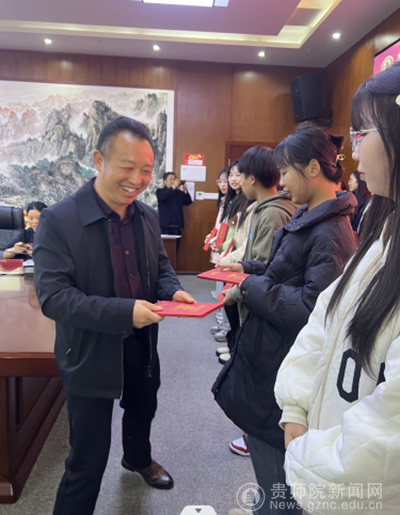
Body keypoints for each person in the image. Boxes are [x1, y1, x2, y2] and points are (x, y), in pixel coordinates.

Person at [33, 117, 194, 515]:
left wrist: (171, 289)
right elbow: (55, 298)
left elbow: (160, 266)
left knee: (142, 409)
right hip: (88, 350)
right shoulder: (59, 219)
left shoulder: (147, 216)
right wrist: (125, 312)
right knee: (87, 459)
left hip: (141, 342)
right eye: (127, 166)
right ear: (98, 160)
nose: (137, 180)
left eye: (146, 170)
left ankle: (137, 459)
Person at [274, 61, 400, 515]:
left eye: (362, 133)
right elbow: (327, 316)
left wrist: (306, 457)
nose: (354, 153)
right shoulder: (384, 231)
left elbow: (388, 439)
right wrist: (297, 405)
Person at [212, 122, 357, 515]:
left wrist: (250, 288)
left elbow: (312, 310)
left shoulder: (331, 233)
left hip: (284, 371)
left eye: (286, 171)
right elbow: (285, 273)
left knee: (280, 487)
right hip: (273, 361)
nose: (282, 181)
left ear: (313, 168)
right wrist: (248, 269)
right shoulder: (311, 218)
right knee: (271, 480)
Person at [217, 146, 297, 457]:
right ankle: (252, 434)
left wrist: (238, 289)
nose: (236, 180)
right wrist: (237, 267)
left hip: (261, 303)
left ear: (252, 178)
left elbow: (267, 266)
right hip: (253, 296)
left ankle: (256, 437)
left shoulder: (273, 212)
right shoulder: (262, 209)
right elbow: (254, 258)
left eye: (240, 174)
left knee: (262, 377)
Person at [156, 172, 192, 249]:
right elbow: (162, 197)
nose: (173, 181)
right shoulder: (160, 191)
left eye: (174, 179)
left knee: (175, 249)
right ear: (165, 181)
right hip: (164, 227)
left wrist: (185, 191)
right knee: (163, 249)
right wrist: (173, 187)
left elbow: (188, 202)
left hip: (177, 227)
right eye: (170, 179)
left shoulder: (179, 193)